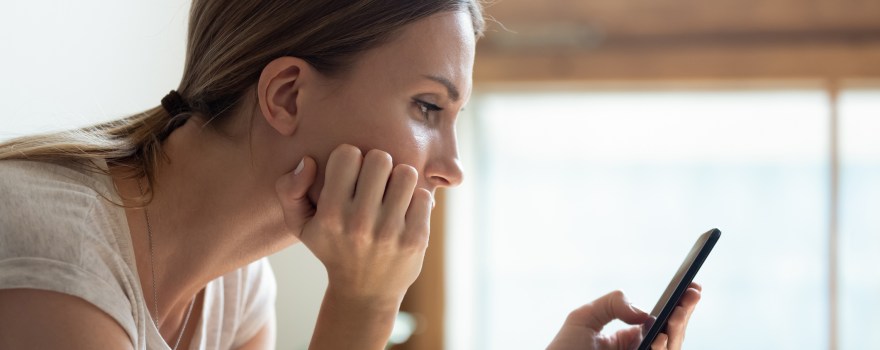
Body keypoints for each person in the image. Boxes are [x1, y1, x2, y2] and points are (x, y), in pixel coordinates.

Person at [0, 1, 701, 349]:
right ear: (287, 96)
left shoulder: (237, 288)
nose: (451, 169)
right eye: (429, 106)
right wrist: (364, 306)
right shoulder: (52, 262)